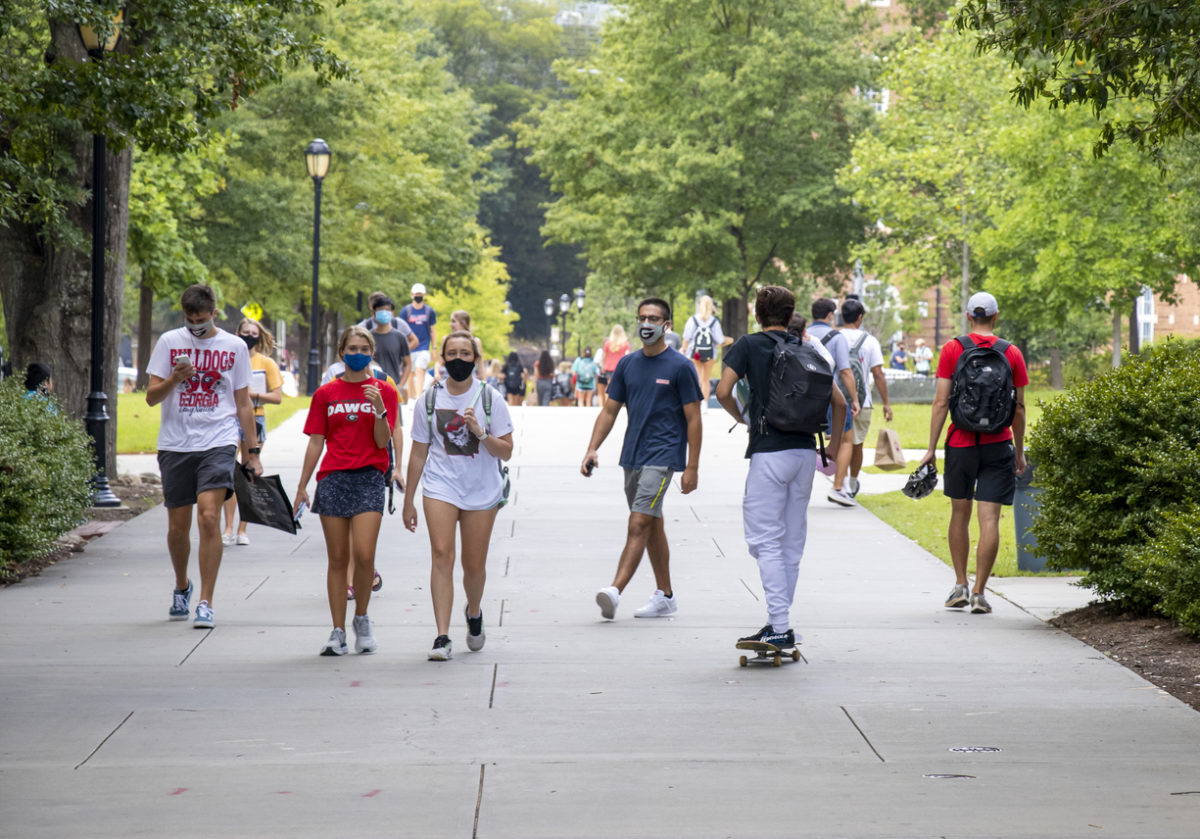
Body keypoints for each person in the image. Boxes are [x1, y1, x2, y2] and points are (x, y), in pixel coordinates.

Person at [716, 286, 846, 650]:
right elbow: (839, 403)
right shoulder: (807, 348)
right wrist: (833, 447)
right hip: (804, 453)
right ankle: (779, 622)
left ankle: (779, 626)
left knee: (764, 540)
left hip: (769, 452)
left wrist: (743, 419)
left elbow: (723, 392)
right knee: (791, 540)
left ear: (757, 315)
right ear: (791, 316)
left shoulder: (748, 345)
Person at [145, 283, 262, 629]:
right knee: (177, 528)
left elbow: (243, 403)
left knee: (209, 517)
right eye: (190, 319)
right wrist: (174, 378)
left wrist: (252, 452)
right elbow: (151, 397)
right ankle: (182, 585)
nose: (195, 325)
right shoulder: (169, 342)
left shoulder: (234, 346)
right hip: (176, 444)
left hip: (218, 440)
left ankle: (206, 602)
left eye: (201, 319)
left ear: (214, 313)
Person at [582, 298, 703, 620]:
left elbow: (694, 418)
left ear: (667, 325)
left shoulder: (680, 367)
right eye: (642, 318)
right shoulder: (627, 364)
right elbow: (609, 411)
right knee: (651, 522)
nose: (646, 324)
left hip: (663, 455)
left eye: (654, 319)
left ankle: (615, 590)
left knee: (638, 523)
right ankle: (665, 595)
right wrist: (592, 448)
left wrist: (692, 467)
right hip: (632, 455)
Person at [403, 331, 514, 660]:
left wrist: (480, 432)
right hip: (441, 485)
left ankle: (474, 612)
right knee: (441, 554)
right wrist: (409, 500)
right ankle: (442, 636)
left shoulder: (490, 398)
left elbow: (506, 451)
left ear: (476, 359)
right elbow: (418, 452)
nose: (459, 360)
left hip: (481, 489)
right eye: (452, 353)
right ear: (443, 358)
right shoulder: (429, 399)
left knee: (473, 566)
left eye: (466, 354)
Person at [918, 292, 1028, 615]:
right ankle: (980, 592)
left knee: (959, 514)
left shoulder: (953, 349)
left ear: (968, 316)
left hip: (961, 444)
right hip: (998, 444)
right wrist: (1019, 451)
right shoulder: (1012, 352)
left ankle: (960, 585)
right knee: (989, 518)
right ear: (995, 316)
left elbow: (941, 402)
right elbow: (1019, 408)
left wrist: (931, 449)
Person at [295, 326, 400, 656]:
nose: (358, 353)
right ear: (341, 353)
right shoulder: (326, 393)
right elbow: (316, 441)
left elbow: (382, 441)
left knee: (365, 555)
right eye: (351, 348)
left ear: (372, 352)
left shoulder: (385, 391)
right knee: (338, 558)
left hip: (369, 476)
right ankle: (338, 631)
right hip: (334, 478)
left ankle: (362, 618)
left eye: (364, 348)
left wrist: (380, 409)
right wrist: (302, 485)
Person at [221, 317, 284, 547]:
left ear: (260, 337)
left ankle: (242, 528)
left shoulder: (266, 363)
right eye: (245, 332)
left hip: (254, 417)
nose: (249, 336)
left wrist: (252, 395)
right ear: (237, 333)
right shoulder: (228, 359)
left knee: (248, 473)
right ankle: (228, 527)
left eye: (254, 333)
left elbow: (277, 397)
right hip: (229, 416)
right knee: (228, 471)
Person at [835, 298, 893, 500]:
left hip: (837, 400)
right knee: (856, 444)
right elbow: (878, 374)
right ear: (860, 317)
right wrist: (886, 403)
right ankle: (852, 483)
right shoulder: (870, 341)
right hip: (862, 401)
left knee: (840, 442)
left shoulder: (835, 337)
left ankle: (840, 482)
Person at [807, 298, 860, 507]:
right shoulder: (837, 337)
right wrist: (854, 399)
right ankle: (838, 487)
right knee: (846, 439)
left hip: (804, 397)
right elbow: (845, 371)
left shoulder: (803, 334)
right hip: (829, 395)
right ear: (830, 315)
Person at [681, 295, 725, 409]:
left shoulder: (693, 320)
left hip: (694, 353)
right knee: (706, 379)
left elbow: (686, 337)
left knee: (696, 377)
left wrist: (683, 349)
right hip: (710, 354)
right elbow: (720, 340)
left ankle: (696, 401)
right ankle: (704, 404)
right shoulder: (714, 322)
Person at [368, 295, 417, 391]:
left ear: (392, 313)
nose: (384, 313)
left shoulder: (400, 337)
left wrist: (400, 385)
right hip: (372, 387)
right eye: (381, 310)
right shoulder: (368, 337)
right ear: (374, 312)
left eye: (387, 310)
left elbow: (408, 364)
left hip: (393, 386)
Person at [400, 283, 437, 399]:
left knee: (420, 370)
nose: (418, 296)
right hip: (410, 347)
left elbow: (432, 330)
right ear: (412, 295)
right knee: (410, 373)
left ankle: (419, 398)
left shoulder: (429, 311)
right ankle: (411, 399)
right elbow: (401, 329)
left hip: (424, 347)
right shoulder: (406, 311)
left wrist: (434, 347)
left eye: (420, 294)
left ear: (424, 295)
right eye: (416, 294)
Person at [596, 324, 629, 406]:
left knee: (609, 386)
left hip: (609, 368)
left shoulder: (608, 343)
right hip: (621, 368)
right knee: (619, 387)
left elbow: (604, 356)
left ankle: (608, 404)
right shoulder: (625, 344)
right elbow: (627, 356)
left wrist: (603, 366)